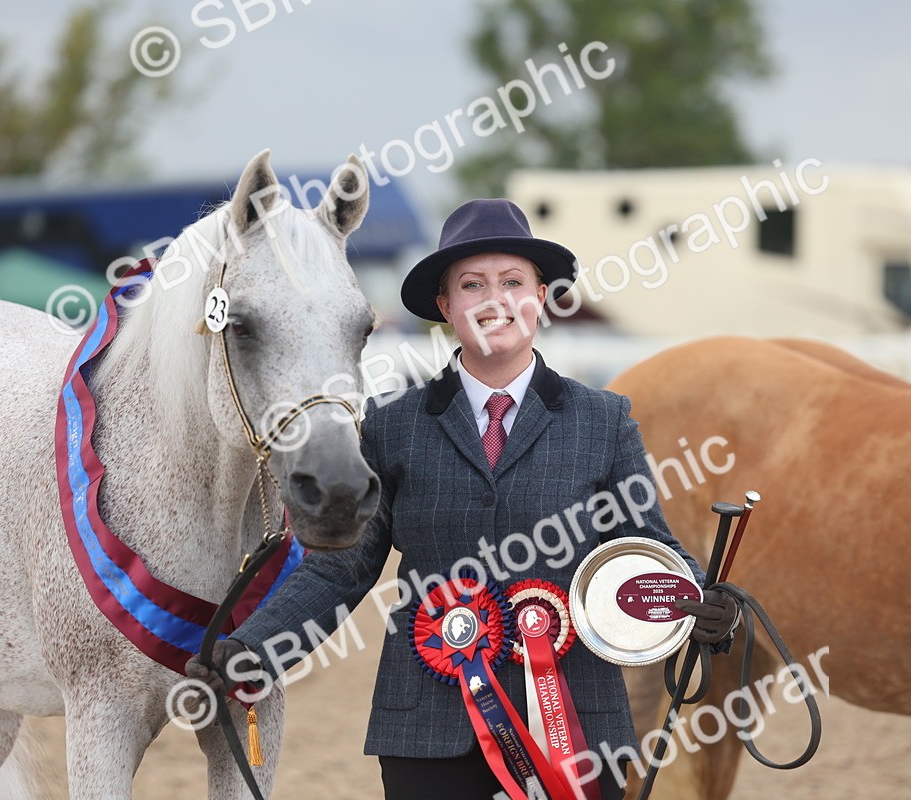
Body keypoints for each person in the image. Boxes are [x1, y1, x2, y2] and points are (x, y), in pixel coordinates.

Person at [188, 199, 737, 799]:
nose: (494, 299)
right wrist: (252, 648)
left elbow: (644, 548)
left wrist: (697, 597)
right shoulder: (392, 427)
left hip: (575, 730)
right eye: (472, 285)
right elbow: (342, 573)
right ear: (447, 308)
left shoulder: (604, 421)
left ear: (541, 298)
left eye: (512, 282)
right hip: (428, 732)